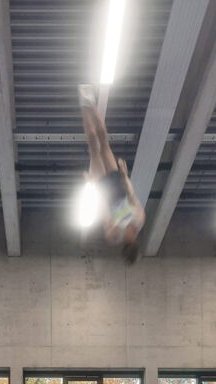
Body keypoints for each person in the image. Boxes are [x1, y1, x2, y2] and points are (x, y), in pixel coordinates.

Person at [78, 84, 145, 264]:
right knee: (103, 141)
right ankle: (90, 103)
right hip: (116, 179)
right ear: (136, 239)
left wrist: (92, 186)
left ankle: (83, 105)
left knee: (93, 145)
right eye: (133, 237)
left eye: (128, 238)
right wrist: (124, 175)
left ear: (125, 243)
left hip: (102, 185)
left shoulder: (114, 235)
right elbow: (132, 196)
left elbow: (103, 209)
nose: (130, 234)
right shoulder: (139, 220)